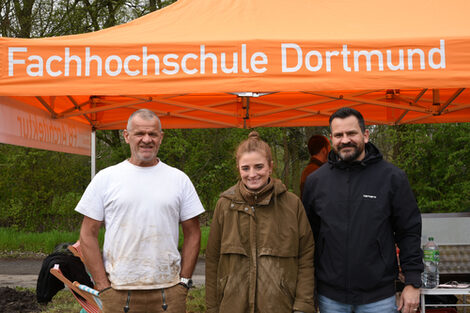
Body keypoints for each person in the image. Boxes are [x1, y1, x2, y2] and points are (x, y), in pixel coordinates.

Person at [75, 109, 205, 313]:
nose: (147, 139)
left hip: (169, 292)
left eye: (153, 134)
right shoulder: (105, 178)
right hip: (117, 292)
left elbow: (193, 233)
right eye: (139, 134)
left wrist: (184, 282)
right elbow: (87, 234)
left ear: (161, 138)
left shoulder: (179, 179)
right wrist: (102, 285)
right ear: (127, 136)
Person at [302, 107, 423, 313]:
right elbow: (307, 240)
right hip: (330, 297)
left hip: (378, 297)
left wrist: (412, 282)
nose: (345, 140)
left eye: (351, 133)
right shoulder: (315, 182)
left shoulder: (392, 178)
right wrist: (307, 290)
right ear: (331, 139)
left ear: (365, 135)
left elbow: (408, 231)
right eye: (339, 135)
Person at [205, 131, 315, 313]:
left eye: (259, 167)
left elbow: (306, 256)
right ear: (238, 168)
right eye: (245, 168)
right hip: (232, 306)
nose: (252, 174)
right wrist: (212, 307)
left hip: (280, 306)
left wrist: (303, 305)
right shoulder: (224, 205)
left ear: (271, 167)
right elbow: (212, 260)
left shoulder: (292, 204)